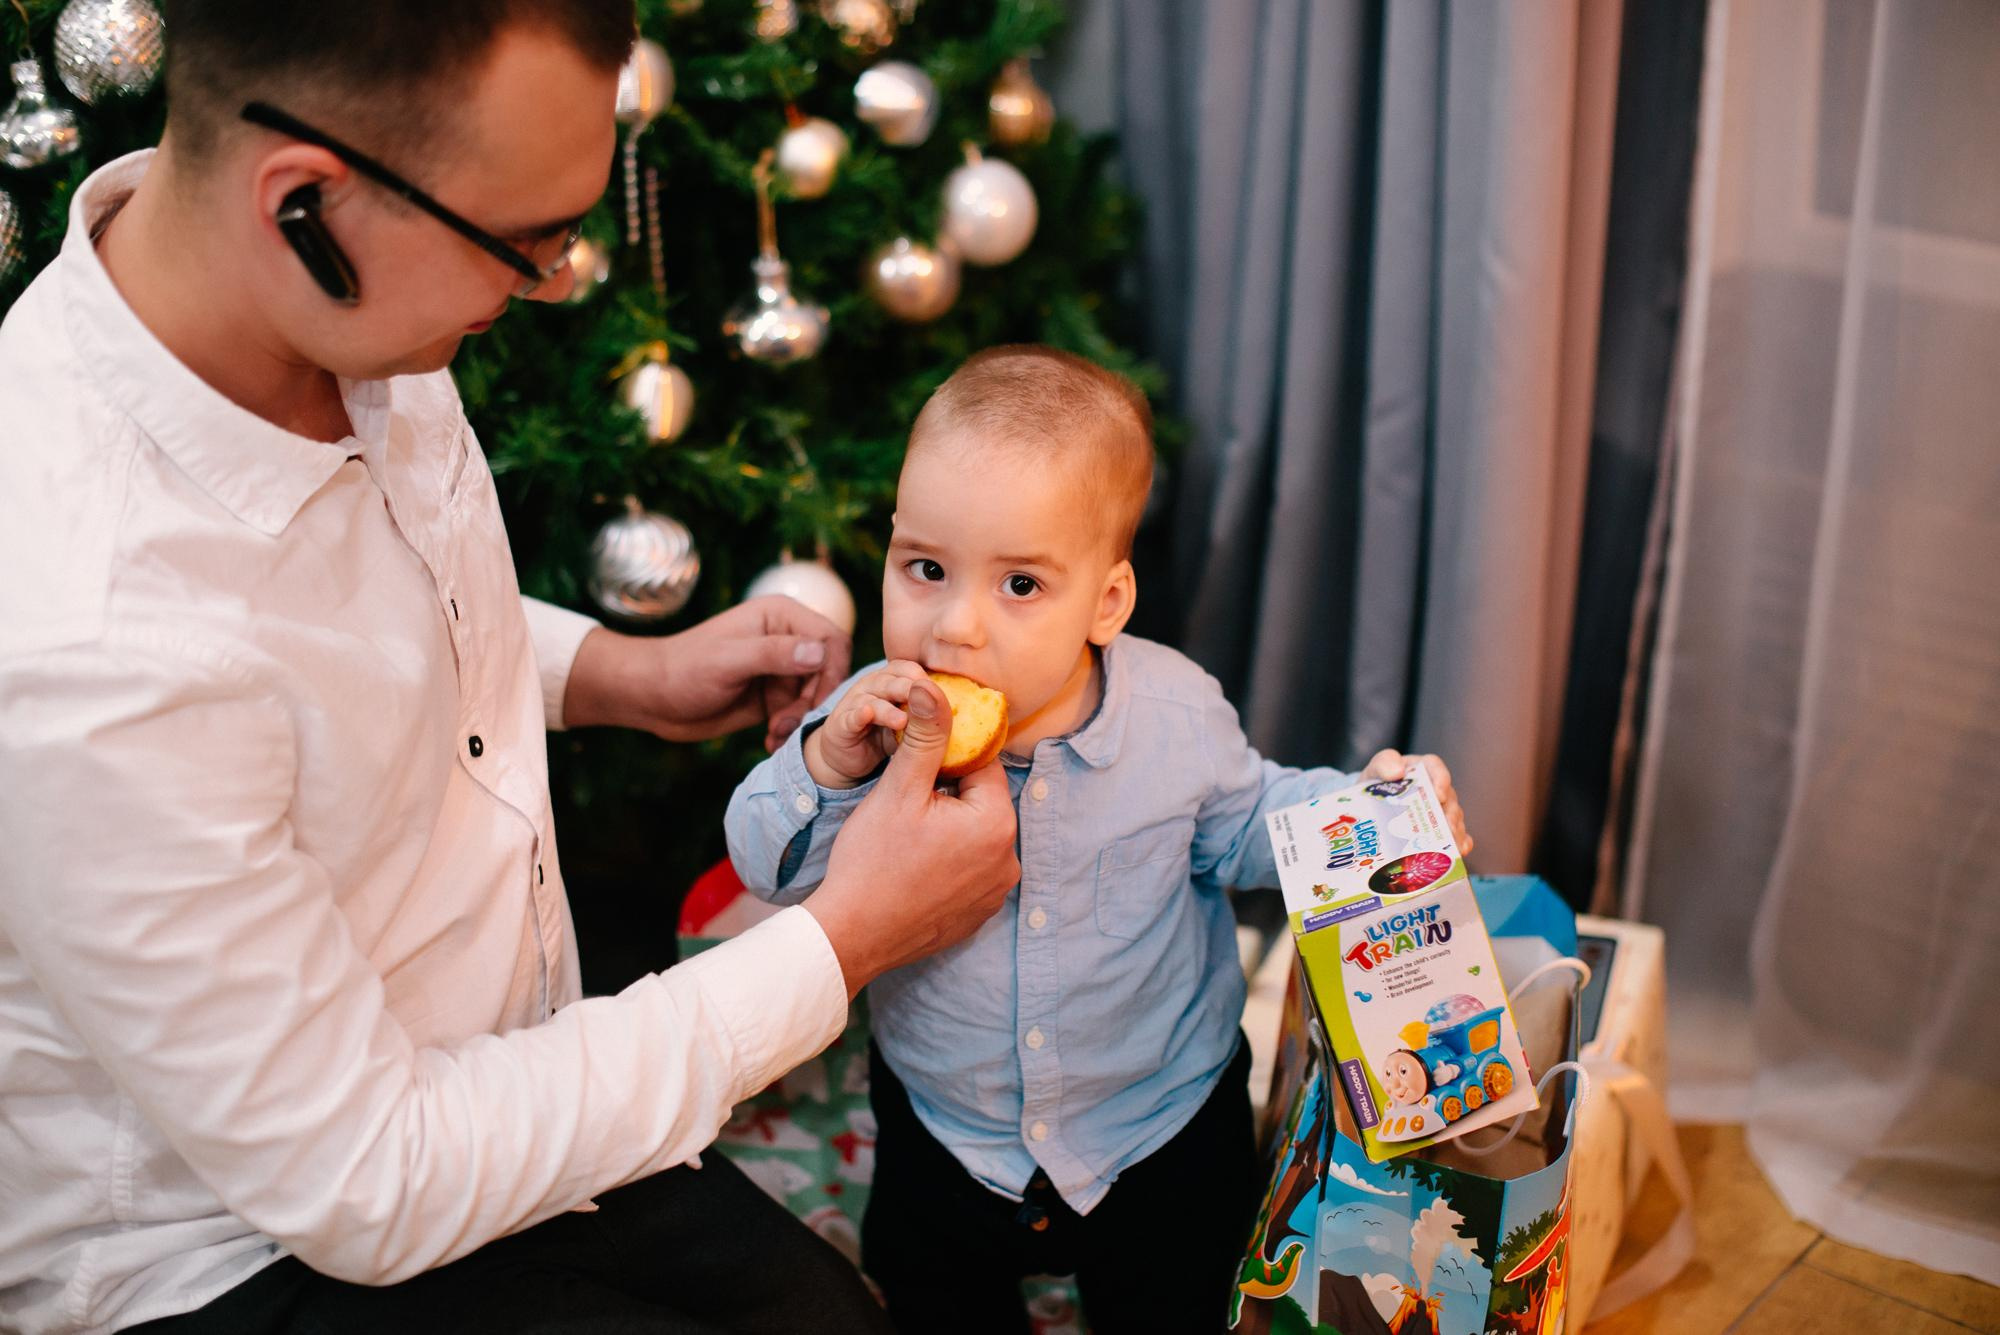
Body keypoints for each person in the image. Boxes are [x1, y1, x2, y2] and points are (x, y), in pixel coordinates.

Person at [0, 3, 1019, 1332]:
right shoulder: (83, 636)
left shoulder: (331, 308)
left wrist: (614, 670)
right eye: (526, 243)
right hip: (231, 1246)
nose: (550, 279)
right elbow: (369, 1176)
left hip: (485, 1068)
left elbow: (322, 628)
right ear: (304, 204)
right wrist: (847, 935)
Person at [724, 345, 1475, 1333]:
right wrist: (823, 766)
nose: (954, 627)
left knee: (1172, 1302)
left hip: (1158, 1123)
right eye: (924, 568)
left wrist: (1376, 814)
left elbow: (1257, 823)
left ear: (1106, 602)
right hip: (946, 1127)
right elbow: (765, 865)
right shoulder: (875, 730)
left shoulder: (1172, 718)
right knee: (931, 1297)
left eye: (1020, 586)